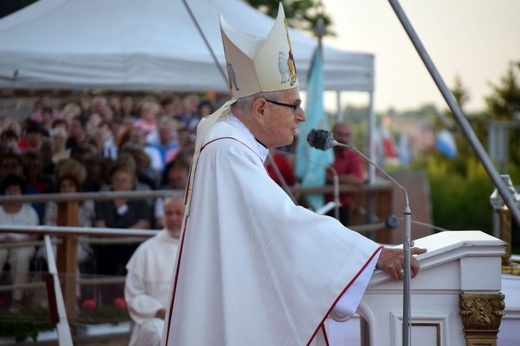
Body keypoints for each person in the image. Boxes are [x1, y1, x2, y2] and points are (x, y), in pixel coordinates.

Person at [162, 4, 426, 345]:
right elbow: (284, 225)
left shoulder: (230, 142)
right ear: (260, 108)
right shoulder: (227, 149)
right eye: (294, 105)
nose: (301, 117)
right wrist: (373, 255)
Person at [125, 193, 185, 346]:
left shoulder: (201, 247)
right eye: (168, 213)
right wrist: (159, 311)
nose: (173, 218)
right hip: (156, 320)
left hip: (192, 319)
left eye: (178, 213)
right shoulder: (147, 250)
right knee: (156, 332)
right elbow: (134, 294)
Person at [0, 174, 39, 312]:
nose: (12, 193)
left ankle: (16, 301)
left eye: (16, 190)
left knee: (21, 257)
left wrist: (18, 241)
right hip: (1, 244)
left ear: (22, 192)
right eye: (9, 190)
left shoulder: (30, 211)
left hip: (23, 245)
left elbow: (35, 235)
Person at [325, 122, 366, 226]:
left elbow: (358, 178)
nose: (342, 138)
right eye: (339, 134)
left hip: (341, 207)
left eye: (346, 135)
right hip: (316, 203)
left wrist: (329, 178)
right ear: (332, 134)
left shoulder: (353, 156)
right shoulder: (321, 153)